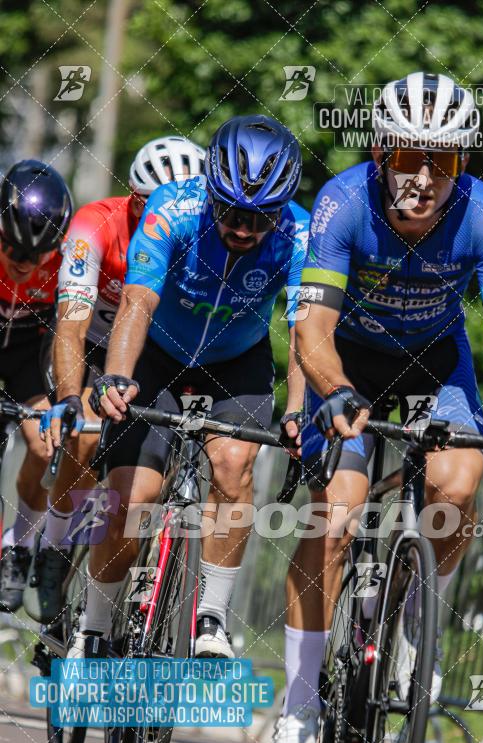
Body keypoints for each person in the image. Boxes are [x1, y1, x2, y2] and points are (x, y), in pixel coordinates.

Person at [270, 71, 483, 743]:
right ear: (378, 152)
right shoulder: (340, 203)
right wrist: (332, 391)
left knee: (456, 488)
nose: (424, 177)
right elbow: (312, 329)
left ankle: (414, 628)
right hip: (348, 362)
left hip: (433, 361)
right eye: (407, 156)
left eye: (444, 160)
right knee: (334, 518)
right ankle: (300, 702)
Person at [71, 114, 308, 660]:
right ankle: (95, 622)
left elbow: (302, 331)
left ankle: (212, 617)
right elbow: (138, 301)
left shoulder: (300, 232)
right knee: (134, 496)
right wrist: (118, 377)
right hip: (157, 355)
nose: (244, 230)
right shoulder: (172, 207)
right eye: (230, 213)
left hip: (237, 360)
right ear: (210, 190)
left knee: (232, 467)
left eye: (260, 218)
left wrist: (297, 410)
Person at [33, 136, 206, 625]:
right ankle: (55, 544)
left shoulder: (196, 234)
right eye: (154, 205)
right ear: (133, 200)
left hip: (147, 350)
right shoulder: (94, 226)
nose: (170, 216)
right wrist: (70, 398)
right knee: (85, 433)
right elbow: (70, 323)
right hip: (89, 340)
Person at [0, 160, 72, 613]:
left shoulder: (68, 260)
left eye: (37, 256)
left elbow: (71, 329)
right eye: (13, 252)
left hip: (29, 357)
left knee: (45, 447)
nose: (24, 264)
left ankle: (16, 547)